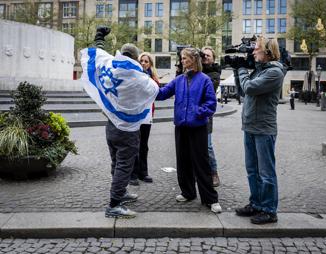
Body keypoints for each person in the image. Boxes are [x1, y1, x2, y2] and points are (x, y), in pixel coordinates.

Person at [81, 27, 159, 218]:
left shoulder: (109, 66)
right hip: (128, 130)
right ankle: (114, 204)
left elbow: (98, 55)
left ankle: (121, 192)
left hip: (111, 126)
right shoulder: (138, 78)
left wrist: (99, 37)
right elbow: (155, 90)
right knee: (124, 165)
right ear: (135, 57)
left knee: (117, 162)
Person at [156, 47, 222, 213]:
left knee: (201, 164)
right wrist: (146, 86)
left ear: (193, 59)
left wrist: (197, 113)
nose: (182, 61)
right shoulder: (179, 79)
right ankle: (188, 192)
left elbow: (211, 104)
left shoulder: (205, 79)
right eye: (182, 58)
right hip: (181, 128)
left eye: (185, 58)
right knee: (183, 162)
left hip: (198, 127)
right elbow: (162, 93)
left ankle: (210, 199)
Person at [230, 36, 287, 224]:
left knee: (266, 172)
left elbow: (250, 88)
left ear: (268, 52)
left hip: (264, 129)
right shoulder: (258, 71)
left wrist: (241, 70)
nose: (253, 52)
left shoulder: (275, 72)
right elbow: (242, 91)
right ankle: (256, 203)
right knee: (252, 170)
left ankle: (269, 210)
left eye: (257, 49)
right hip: (250, 126)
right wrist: (237, 69)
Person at [129, 52, 160, 185]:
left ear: (150, 64)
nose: (143, 63)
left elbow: (157, 92)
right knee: (134, 144)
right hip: (136, 114)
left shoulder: (153, 78)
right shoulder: (134, 75)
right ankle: (133, 174)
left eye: (146, 61)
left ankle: (144, 172)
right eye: (141, 61)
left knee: (144, 145)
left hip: (147, 115)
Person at [201, 46, 221, 187]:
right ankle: (200, 174)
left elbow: (207, 88)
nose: (206, 57)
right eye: (203, 55)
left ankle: (214, 173)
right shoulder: (195, 71)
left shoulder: (215, 74)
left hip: (206, 114)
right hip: (192, 113)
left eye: (209, 55)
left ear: (213, 58)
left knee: (207, 146)